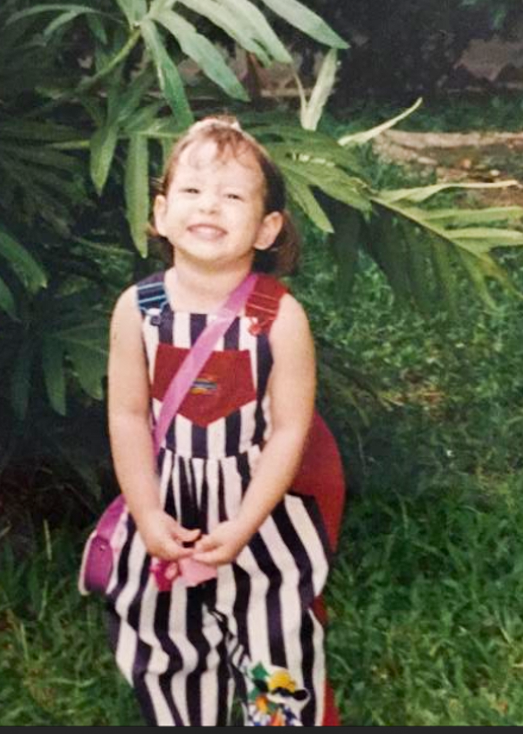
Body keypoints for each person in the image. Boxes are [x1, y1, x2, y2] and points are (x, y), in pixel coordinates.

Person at [105, 115, 344, 726]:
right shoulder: (138, 310)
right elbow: (129, 416)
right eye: (191, 191)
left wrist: (243, 525)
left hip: (260, 516)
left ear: (267, 228)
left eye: (233, 195)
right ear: (159, 213)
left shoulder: (280, 318)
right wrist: (147, 513)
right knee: (167, 645)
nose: (209, 205)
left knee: (275, 644)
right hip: (166, 511)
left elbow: (291, 429)